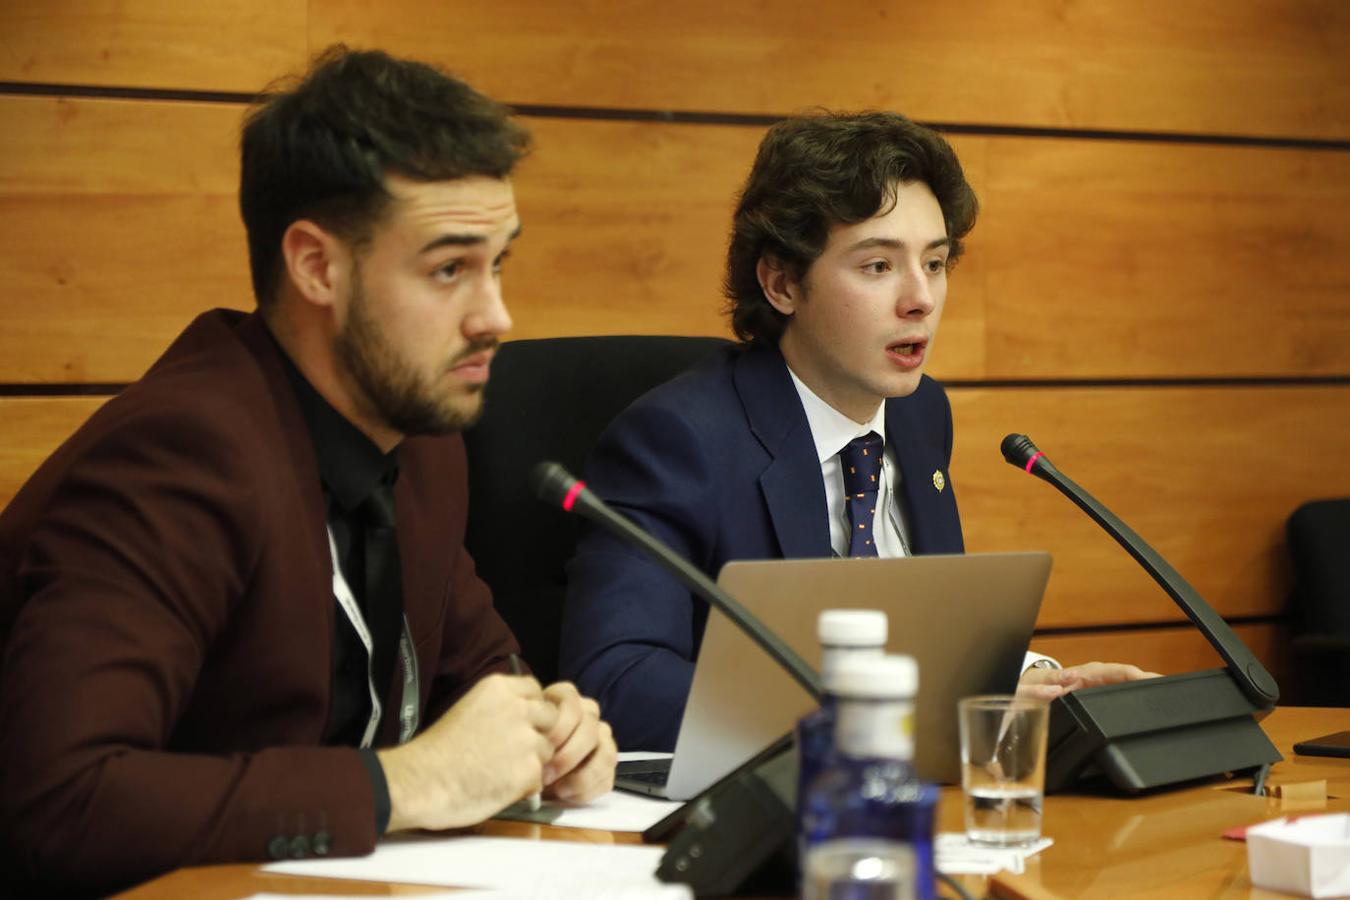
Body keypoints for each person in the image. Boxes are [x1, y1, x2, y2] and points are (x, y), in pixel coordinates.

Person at [0, 47, 615, 896]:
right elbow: (64, 802)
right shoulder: (181, 456)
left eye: (498, 261)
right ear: (317, 266)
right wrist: (410, 784)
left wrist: (553, 731)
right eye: (449, 269)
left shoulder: (422, 435)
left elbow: (483, 676)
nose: (496, 315)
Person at [559, 111, 1154, 751]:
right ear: (782, 282)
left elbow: (918, 638)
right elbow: (616, 681)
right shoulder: (679, 440)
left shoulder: (922, 414)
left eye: (936, 262)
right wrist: (878, 715)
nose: (920, 298)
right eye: (878, 266)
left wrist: (1034, 682)